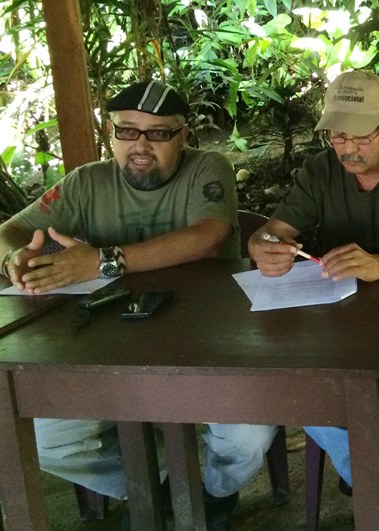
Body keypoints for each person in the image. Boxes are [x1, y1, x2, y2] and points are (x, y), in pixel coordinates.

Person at [0, 80, 277, 530]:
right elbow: (9, 232)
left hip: (210, 345)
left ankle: (211, 491)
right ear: (109, 134)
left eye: (159, 133)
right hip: (104, 351)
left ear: (183, 135)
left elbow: (209, 237)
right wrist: (17, 258)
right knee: (43, 437)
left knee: (248, 434)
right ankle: (159, 484)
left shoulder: (207, 167)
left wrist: (101, 261)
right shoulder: (86, 182)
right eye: (127, 131)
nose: (141, 145)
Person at [247, 70, 379, 528]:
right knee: (300, 398)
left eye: (361, 135)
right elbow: (275, 229)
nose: (347, 148)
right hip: (342, 327)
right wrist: (263, 244)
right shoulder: (320, 171)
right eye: (337, 134)